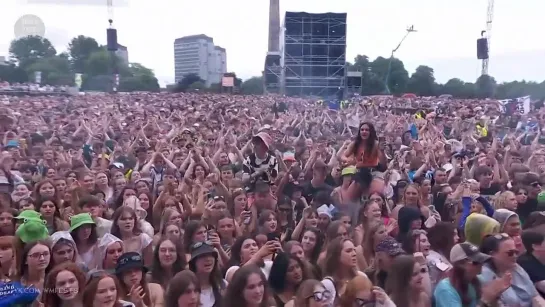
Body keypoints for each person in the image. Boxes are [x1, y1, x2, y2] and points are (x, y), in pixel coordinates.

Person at [433, 242, 508, 307]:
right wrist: (485, 301)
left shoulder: (479, 280)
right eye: (476, 262)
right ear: (461, 264)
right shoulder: (446, 289)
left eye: (482, 260)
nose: (481, 264)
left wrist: (495, 296)